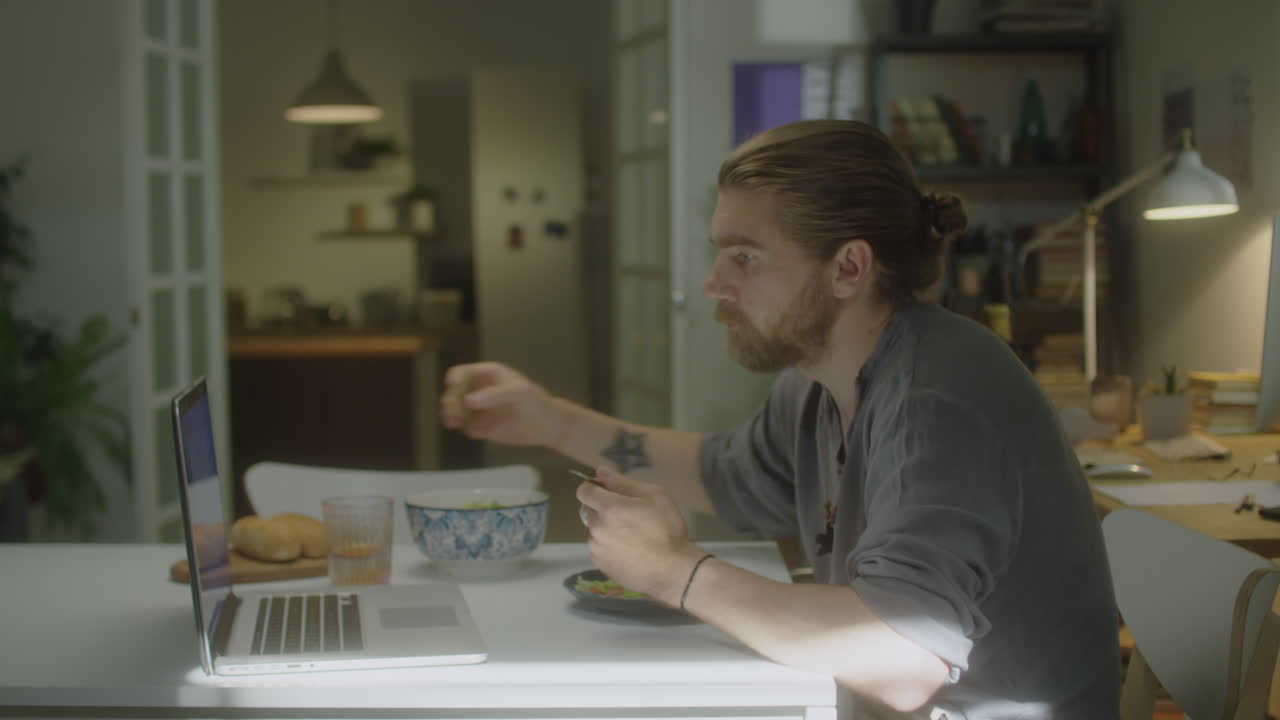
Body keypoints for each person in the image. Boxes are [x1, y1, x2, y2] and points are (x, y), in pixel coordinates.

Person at [440, 119, 1120, 720]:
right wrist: (550, 420)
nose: (714, 283)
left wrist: (678, 572)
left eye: (745, 256)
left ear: (848, 268)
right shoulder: (821, 383)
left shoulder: (936, 400)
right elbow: (721, 475)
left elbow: (902, 655)